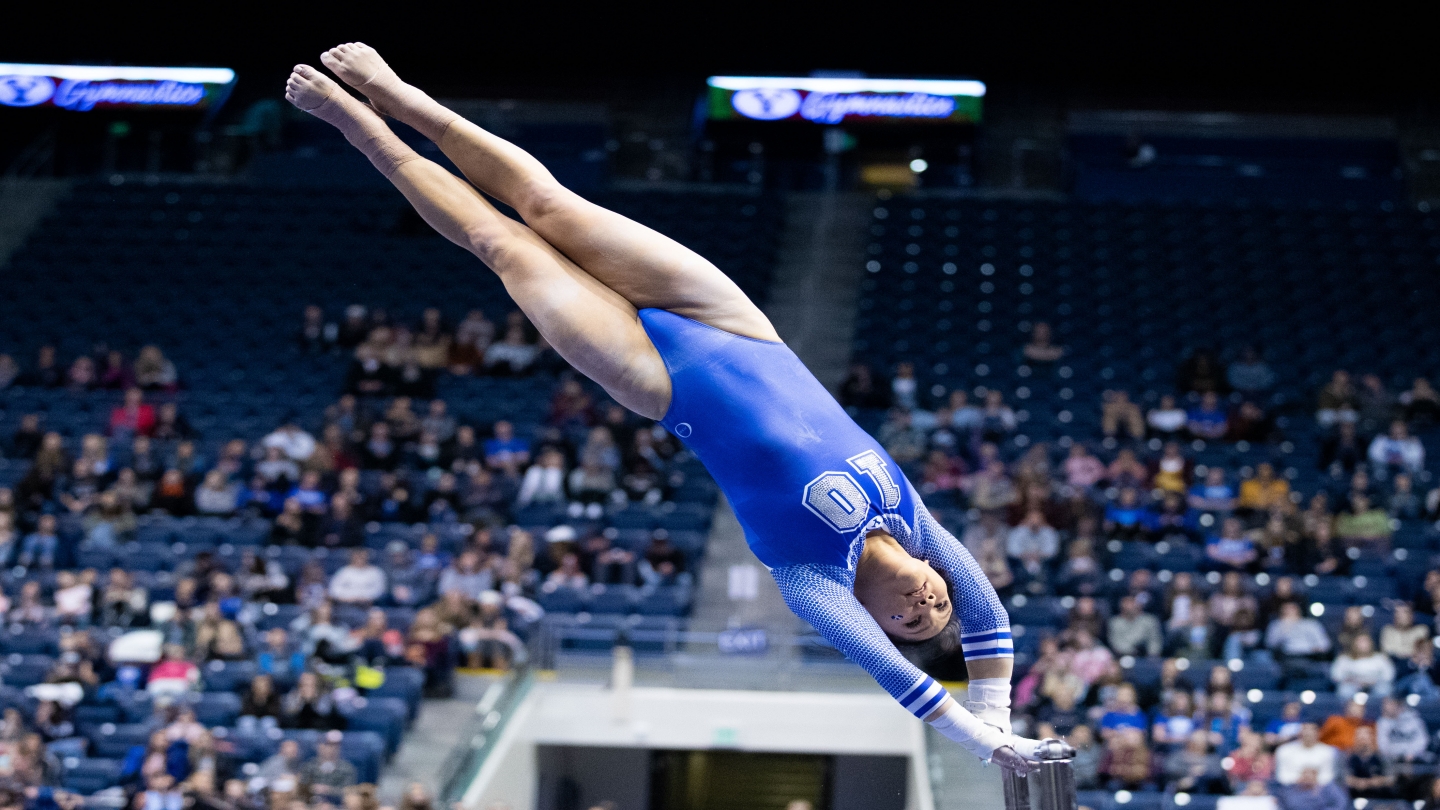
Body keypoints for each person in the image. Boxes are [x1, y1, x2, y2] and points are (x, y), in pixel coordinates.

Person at [290, 45, 1043, 770]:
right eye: (935, 604)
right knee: (550, 203)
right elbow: (988, 614)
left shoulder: (813, 578)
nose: (925, 605)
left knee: (506, 245)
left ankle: (359, 126)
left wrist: (983, 741)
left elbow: (899, 679)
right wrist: (997, 706)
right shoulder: (914, 523)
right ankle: (397, 93)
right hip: (736, 322)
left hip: (659, 382)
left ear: (874, 617)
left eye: (910, 621)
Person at [298, 731, 357, 800]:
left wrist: (329, 790)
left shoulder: (347, 768)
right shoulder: (309, 766)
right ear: (319, 746)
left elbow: (349, 790)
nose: (332, 748)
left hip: (338, 805)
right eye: (327, 744)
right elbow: (302, 788)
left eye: (336, 745)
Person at [1275, 723, 1339, 785]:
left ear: (1318, 733)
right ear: (1299, 732)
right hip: (1291, 789)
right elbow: (1281, 776)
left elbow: (1328, 776)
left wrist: (1312, 781)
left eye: (1312, 729)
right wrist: (1300, 780)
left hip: (1319, 790)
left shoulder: (1328, 751)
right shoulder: (1284, 750)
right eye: (1305, 729)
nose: (1308, 733)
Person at [1275, 767, 1347, 810]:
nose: (1307, 778)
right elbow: (1285, 804)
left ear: (1316, 777)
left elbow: (1341, 804)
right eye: (1305, 775)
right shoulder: (1290, 790)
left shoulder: (1329, 789)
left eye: (1310, 775)